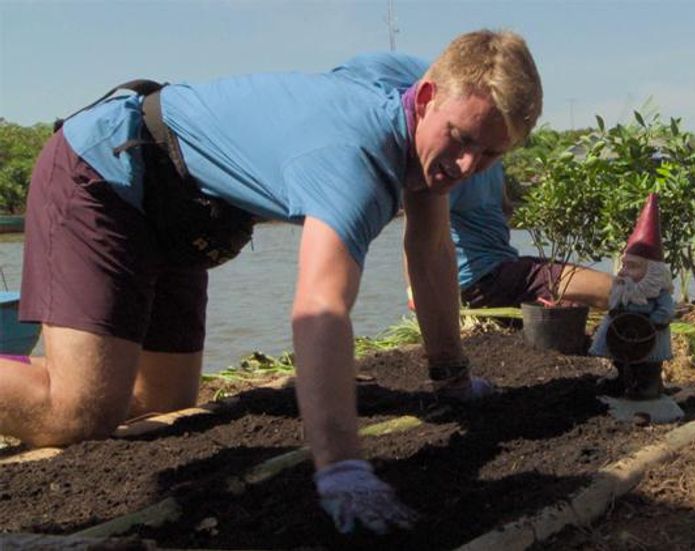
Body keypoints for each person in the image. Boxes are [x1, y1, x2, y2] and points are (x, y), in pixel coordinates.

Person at [0, 29, 542, 535]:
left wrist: (452, 377)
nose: (468, 164)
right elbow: (320, 306)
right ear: (426, 99)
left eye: (492, 153)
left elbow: (430, 247)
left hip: (188, 212)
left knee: (164, 401)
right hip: (109, 170)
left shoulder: (410, 87)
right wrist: (342, 465)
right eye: (461, 138)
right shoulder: (352, 163)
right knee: (77, 411)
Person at [407, 161, 612, 310]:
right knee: (612, 290)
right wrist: (414, 288)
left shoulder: (494, 162)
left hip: (505, 267)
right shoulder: (455, 167)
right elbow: (418, 231)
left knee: (578, 296)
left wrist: (555, 220)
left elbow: (505, 208)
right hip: (482, 281)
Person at [589, 194, 677, 407]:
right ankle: (623, 379)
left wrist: (656, 320)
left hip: (649, 336)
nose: (625, 272)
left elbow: (666, 309)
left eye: (634, 267)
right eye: (625, 265)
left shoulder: (657, 292)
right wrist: (615, 311)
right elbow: (617, 302)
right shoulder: (625, 288)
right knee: (621, 358)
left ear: (653, 270)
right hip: (623, 334)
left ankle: (648, 385)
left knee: (648, 364)